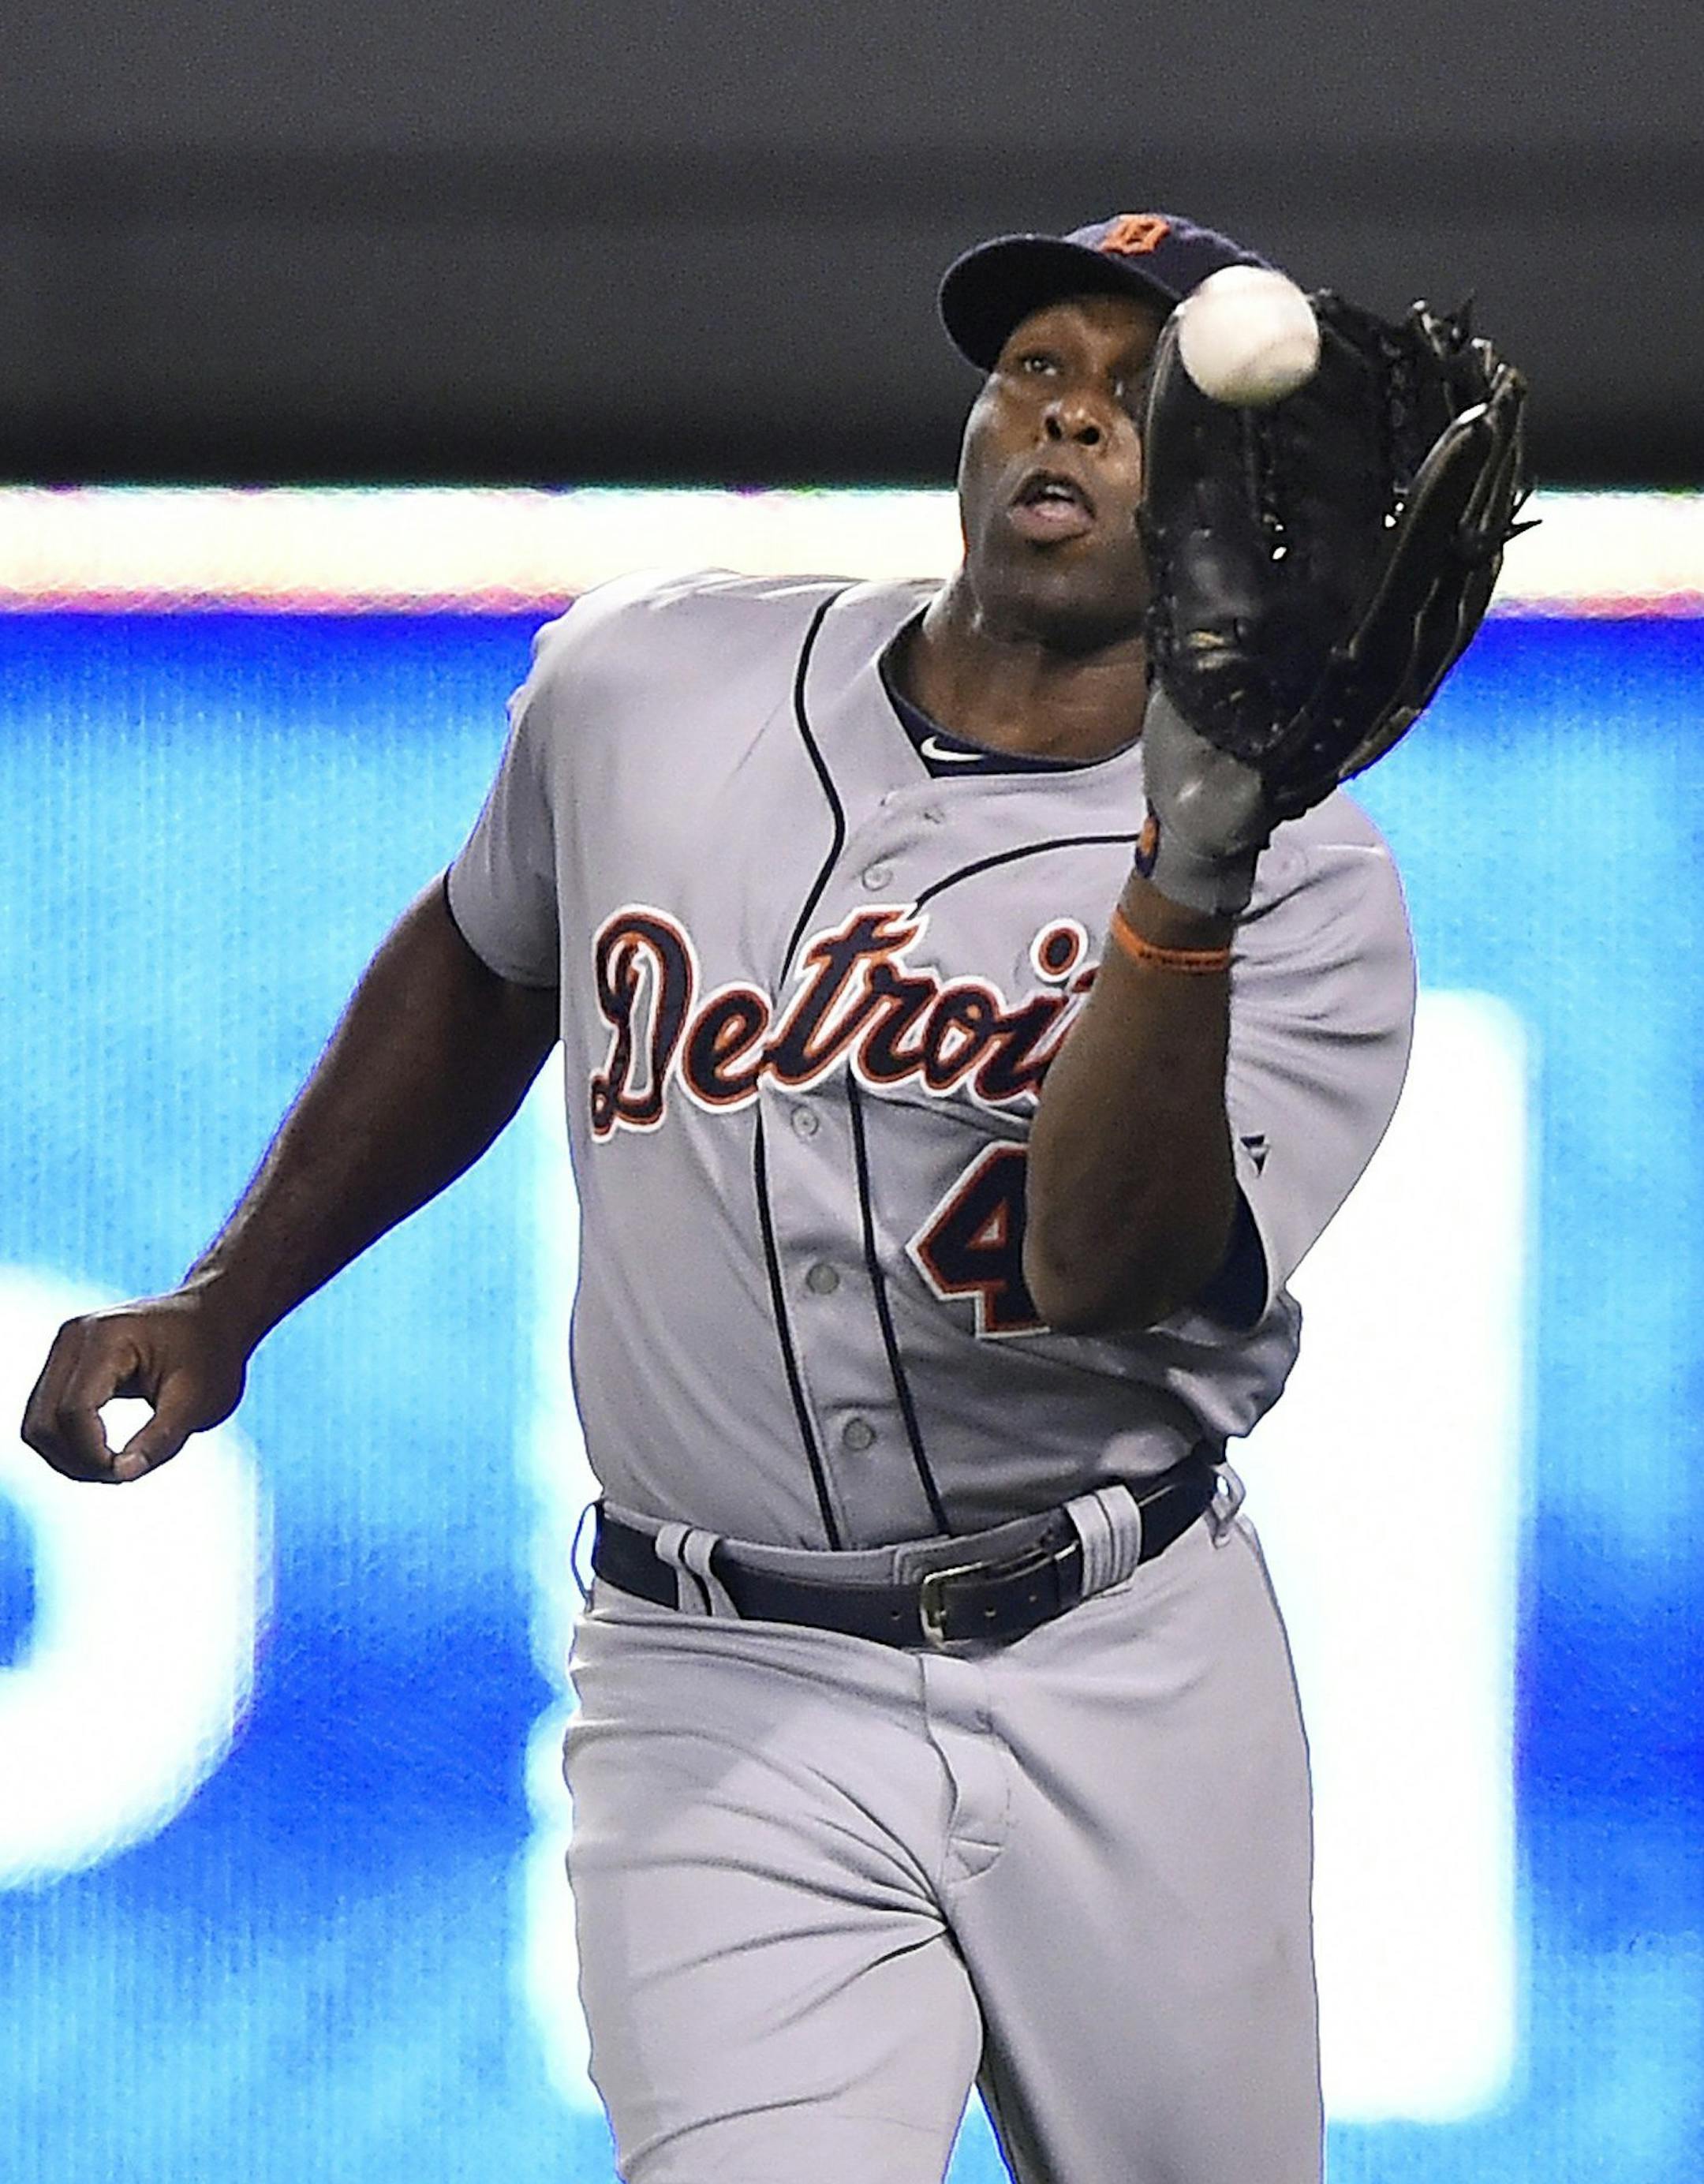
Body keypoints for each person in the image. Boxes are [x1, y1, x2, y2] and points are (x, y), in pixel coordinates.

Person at [24, 213, 1417, 2183]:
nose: (1073, 417)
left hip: (1125, 1668)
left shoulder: (1314, 889)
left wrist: (1187, 879)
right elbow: (490, 950)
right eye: (1039, 368)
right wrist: (227, 1295)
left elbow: (1104, 1267)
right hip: (719, 1674)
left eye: (1148, 399)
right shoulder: (653, 679)